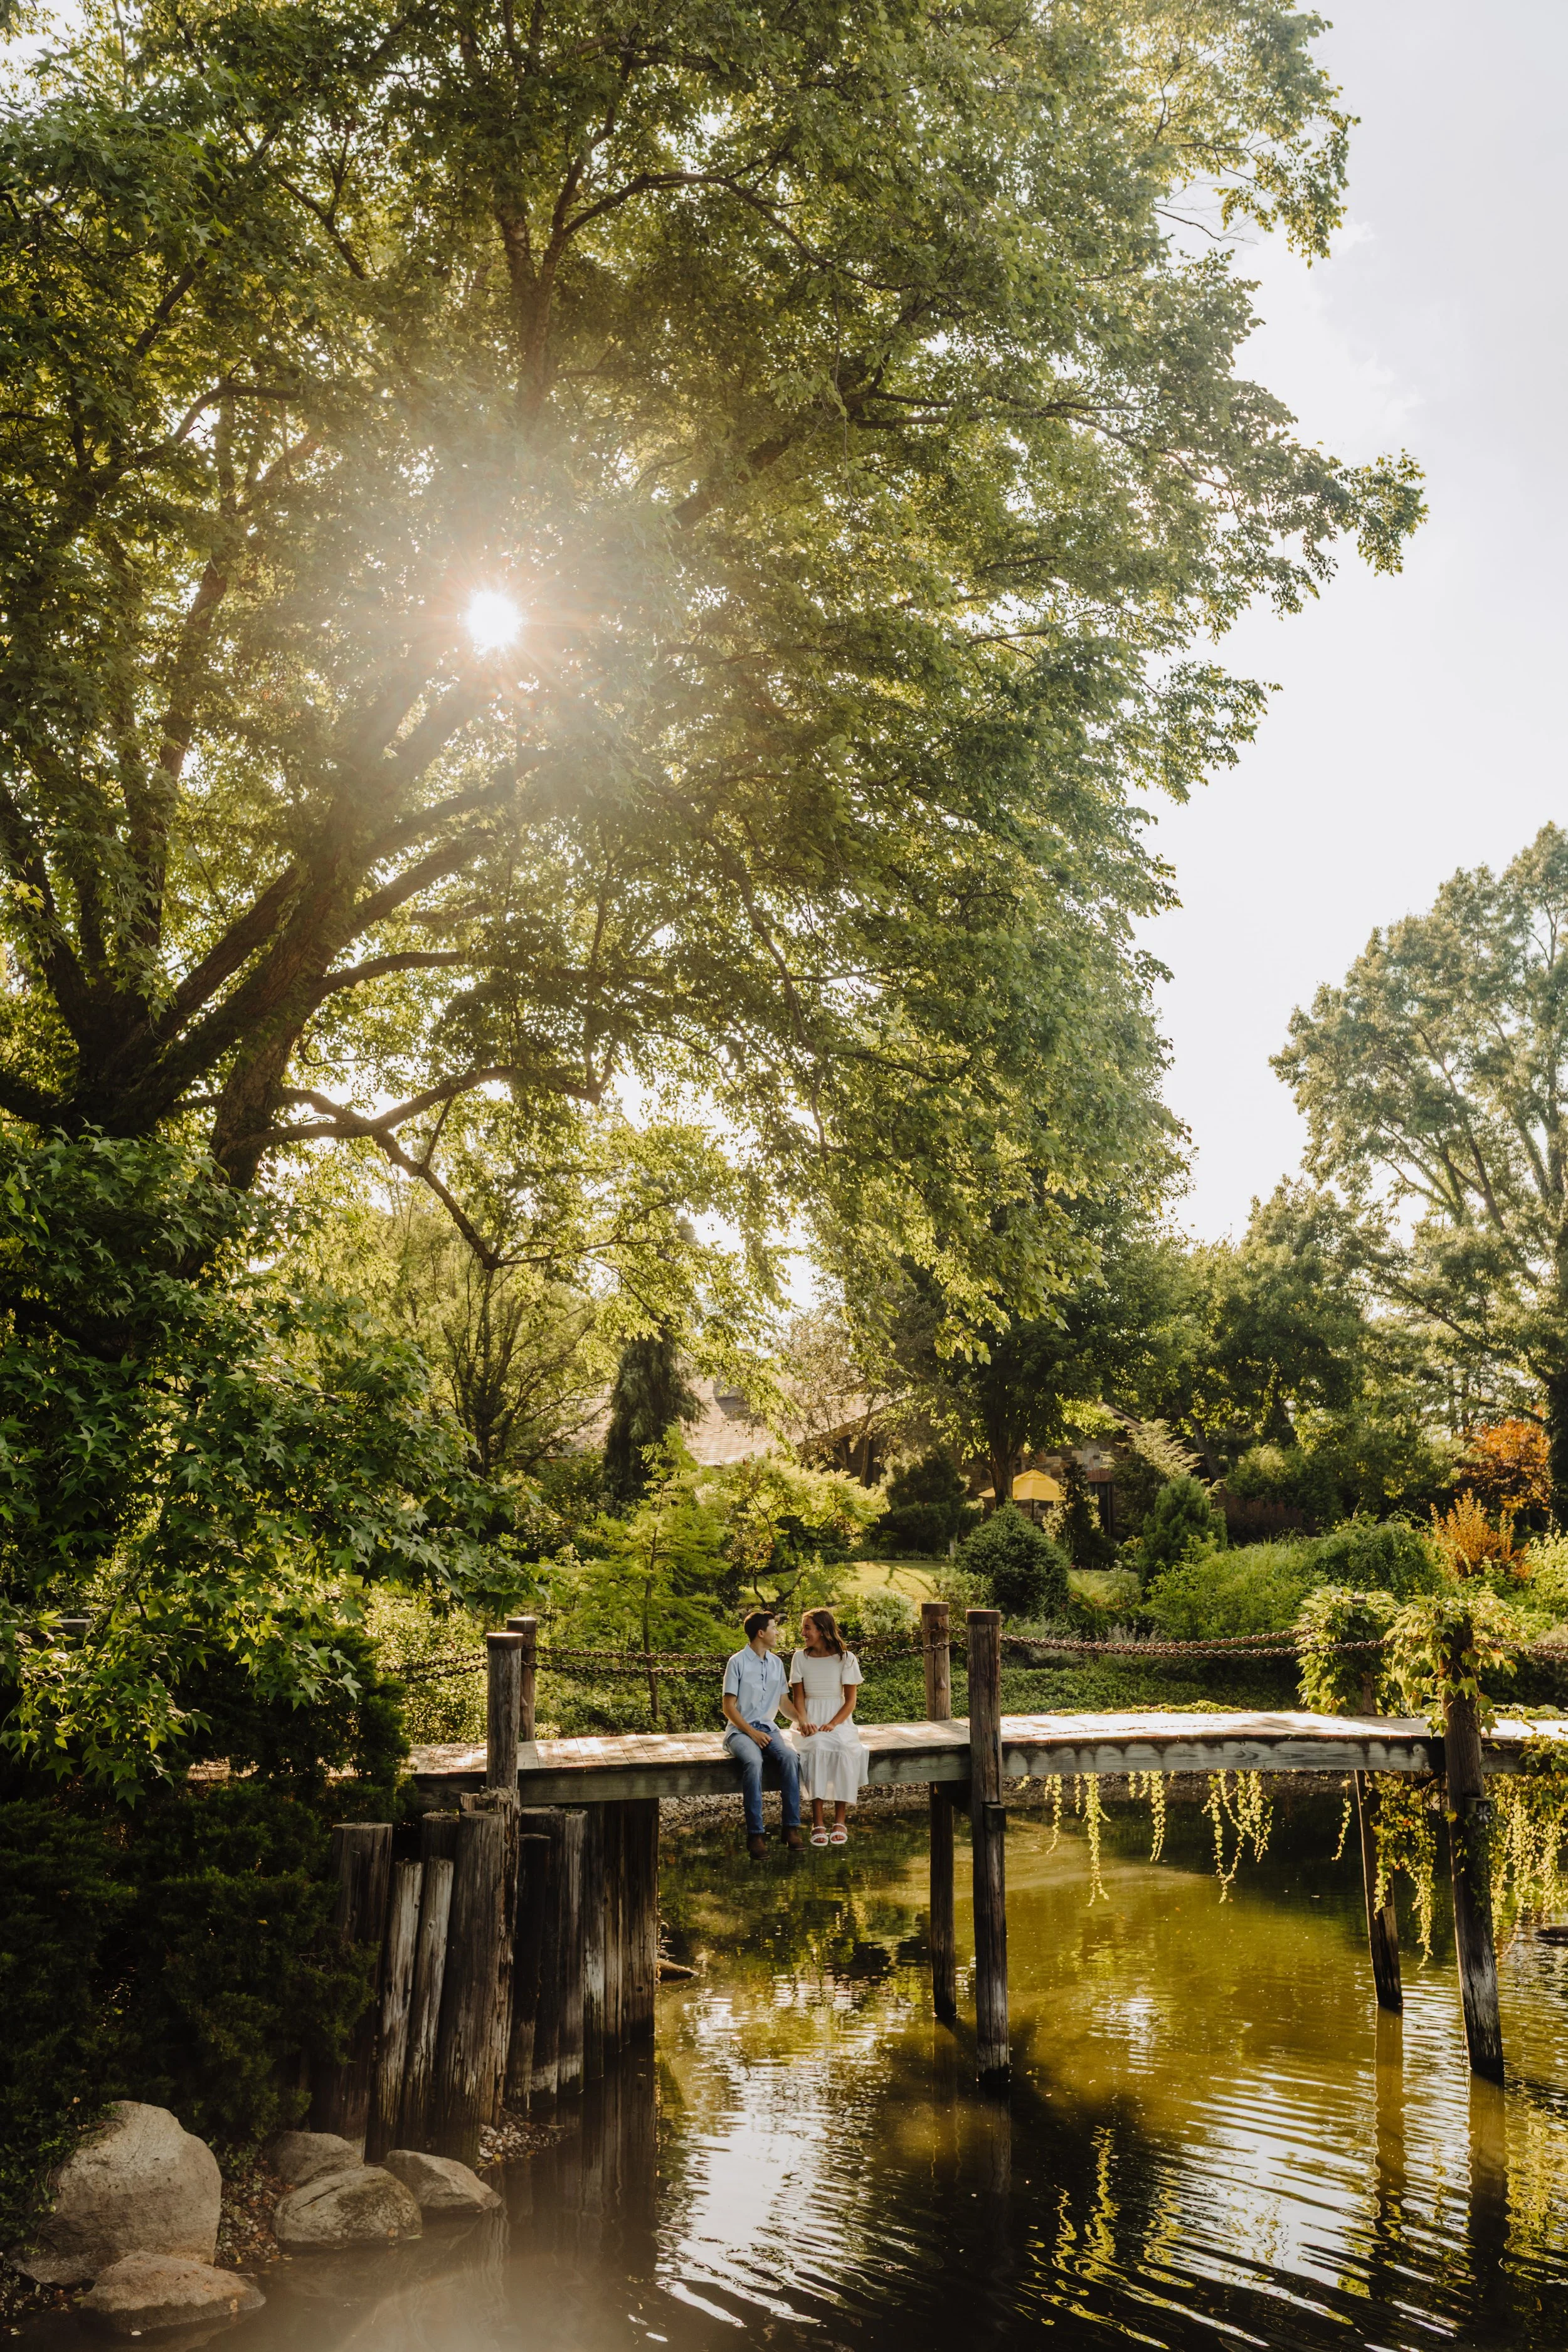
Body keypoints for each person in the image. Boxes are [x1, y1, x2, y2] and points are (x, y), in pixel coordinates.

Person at [721, 1609, 804, 1858]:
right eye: (774, 1628)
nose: (777, 1632)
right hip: (740, 1732)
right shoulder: (737, 1662)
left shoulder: (777, 1663)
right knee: (754, 1761)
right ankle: (755, 1835)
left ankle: (791, 1829)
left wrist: (804, 1719)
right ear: (761, 1633)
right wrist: (752, 1734)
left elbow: (784, 1705)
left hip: (769, 1730)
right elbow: (729, 1707)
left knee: (791, 1758)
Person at [788, 1608, 869, 1845]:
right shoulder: (800, 1658)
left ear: (822, 1631)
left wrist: (834, 1724)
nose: (803, 1633)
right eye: (803, 1628)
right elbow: (799, 1698)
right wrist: (803, 1721)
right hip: (809, 1718)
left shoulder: (846, 1658)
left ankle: (841, 1820)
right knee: (816, 1748)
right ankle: (818, 1822)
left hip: (838, 1718)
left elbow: (851, 1700)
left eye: (807, 1628)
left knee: (844, 1749)